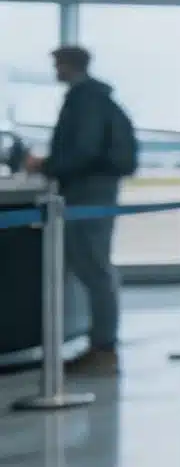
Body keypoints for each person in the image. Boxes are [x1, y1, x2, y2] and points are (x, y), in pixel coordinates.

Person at [23, 46, 136, 376]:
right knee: (95, 266)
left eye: (57, 63)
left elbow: (83, 149)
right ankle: (102, 343)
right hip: (96, 189)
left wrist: (47, 166)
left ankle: (103, 346)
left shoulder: (84, 100)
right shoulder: (96, 98)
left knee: (94, 266)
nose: (54, 69)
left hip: (88, 191)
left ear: (69, 64)